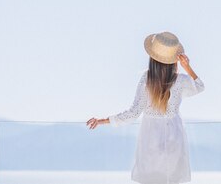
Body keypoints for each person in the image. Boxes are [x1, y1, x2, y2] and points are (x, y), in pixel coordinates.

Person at [87, 31, 205, 184]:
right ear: (174, 59)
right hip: (174, 139)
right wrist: (187, 67)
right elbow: (200, 86)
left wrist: (103, 121)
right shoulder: (180, 81)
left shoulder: (147, 79)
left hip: (150, 140)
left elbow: (133, 112)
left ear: (153, 57)